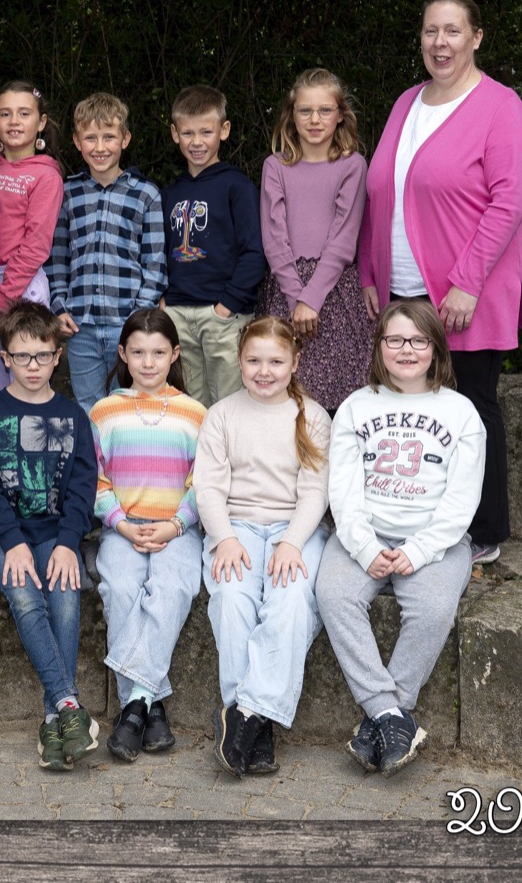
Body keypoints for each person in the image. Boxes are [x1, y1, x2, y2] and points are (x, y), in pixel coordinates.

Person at [358, 0, 522, 564]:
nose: (439, 43)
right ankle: (420, 523)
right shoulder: (406, 102)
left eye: (452, 31)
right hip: (402, 287)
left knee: (470, 405)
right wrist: (370, 271)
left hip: (468, 289)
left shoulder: (500, 106)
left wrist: (467, 281)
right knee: (414, 410)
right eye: (430, 32)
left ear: (476, 37)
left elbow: (510, 199)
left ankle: (484, 533)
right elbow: (380, 190)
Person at [316, 300, 484, 777]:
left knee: (432, 608)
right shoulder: (356, 406)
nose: (406, 350)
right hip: (363, 532)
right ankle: (392, 716)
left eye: (418, 340)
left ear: (435, 348)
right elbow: (342, 490)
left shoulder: (461, 412)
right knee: (333, 595)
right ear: (379, 347)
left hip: (436, 539)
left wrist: (420, 549)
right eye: (394, 339)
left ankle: (386, 714)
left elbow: (462, 500)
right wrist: (365, 546)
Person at [195, 316, 332, 778]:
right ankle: (255, 722)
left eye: (275, 361)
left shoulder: (312, 417)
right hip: (236, 526)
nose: (264, 371)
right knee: (232, 597)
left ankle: (246, 717)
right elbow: (208, 489)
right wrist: (225, 538)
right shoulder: (221, 415)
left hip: (296, 528)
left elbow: (315, 492)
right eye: (254, 360)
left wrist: (292, 542)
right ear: (239, 361)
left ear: (295, 362)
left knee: (290, 600)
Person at [0, 302, 99, 770]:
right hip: (2, 537)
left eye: (43, 355)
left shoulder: (74, 417)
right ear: (5, 358)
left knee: (65, 597)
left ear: (57, 356)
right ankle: (68, 703)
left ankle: (53, 721)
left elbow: (82, 489)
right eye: (22, 357)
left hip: (56, 534)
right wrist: (13, 542)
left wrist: (68, 543)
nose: (33, 366)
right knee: (26, 598)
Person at [88, 308, 205, 762]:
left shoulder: (195, 413)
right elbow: (96, 481)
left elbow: (203, 483)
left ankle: (135, 705)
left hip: (178, 529)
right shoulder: (104, 411)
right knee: (119, 588)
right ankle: (150, 706)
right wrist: (120, 523)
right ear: (123, 354)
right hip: (122, 528)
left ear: (174, 354)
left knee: (172, 588)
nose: (149, 362)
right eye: (138, 352)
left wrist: (177, 524)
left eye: (158, 353)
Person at [258, 68, 374, 413]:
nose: (314, 119)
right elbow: (274, 238)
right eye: (305, 110)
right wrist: (297, 298)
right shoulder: (275, 166)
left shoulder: (353, 165)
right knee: (285, 398)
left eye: (325, 110)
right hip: (285, 290)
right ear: (291, 115)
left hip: (334, 294)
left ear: (340, 116)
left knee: (343, 400)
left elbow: (343, 239)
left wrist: (311, 299)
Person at [48, 92, 167, 415]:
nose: (100, 147)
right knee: (90, 408)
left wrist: (140, 316)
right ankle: (94, 453)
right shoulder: (67, 193)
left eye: (109, 137)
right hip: (81, 325)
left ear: (125, 139)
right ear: (77, 141)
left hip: (126, 323)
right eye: (90, 138)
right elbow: (57, 259)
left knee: (131, 406)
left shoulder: (146, 194)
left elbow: (155, 263)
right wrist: (59, 306)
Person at [160, 84, 264, 409]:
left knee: (229, 406)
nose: (197, 142)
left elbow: (254, 252)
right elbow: (159, 251)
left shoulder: (237, 187)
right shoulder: (170, 193)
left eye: (206, 132)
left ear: (224, 130)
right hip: (178, 312)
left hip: (222, 316)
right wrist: (164, 300)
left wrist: (226, 306)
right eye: (187, 133)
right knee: (188, 407)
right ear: (175, 134)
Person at [0, 80, 65, 398]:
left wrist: (2, 300)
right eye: (5, 114)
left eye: (24, 113)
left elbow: (36, 246)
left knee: (29, 382)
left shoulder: (46, 175)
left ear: (41, 122)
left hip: (22, 287)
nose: (14, 121)